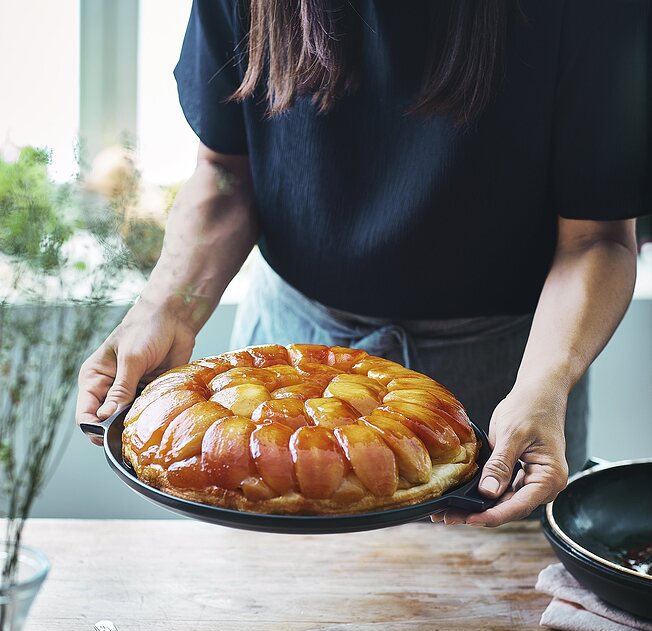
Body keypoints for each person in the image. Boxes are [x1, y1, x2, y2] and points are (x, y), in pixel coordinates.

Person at [77, 0, 651, 526]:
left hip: (512, 381)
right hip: (278, 364)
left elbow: (596, 237)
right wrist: (168, 310)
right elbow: (227, 175)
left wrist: (543, 386)